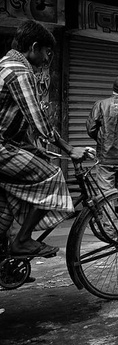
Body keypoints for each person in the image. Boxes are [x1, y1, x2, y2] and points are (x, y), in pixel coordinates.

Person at [0, 21, 85, 257]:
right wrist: (69, 149)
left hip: (8, 144)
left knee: (5, 212)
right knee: (52, 176)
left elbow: (15, 121)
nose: (48, 58)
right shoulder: (19, 71)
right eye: (47, 52)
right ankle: (24, 240)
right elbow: (38, 120)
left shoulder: (4, 65)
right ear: (35, 47)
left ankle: (8, 267)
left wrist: (33, 148)